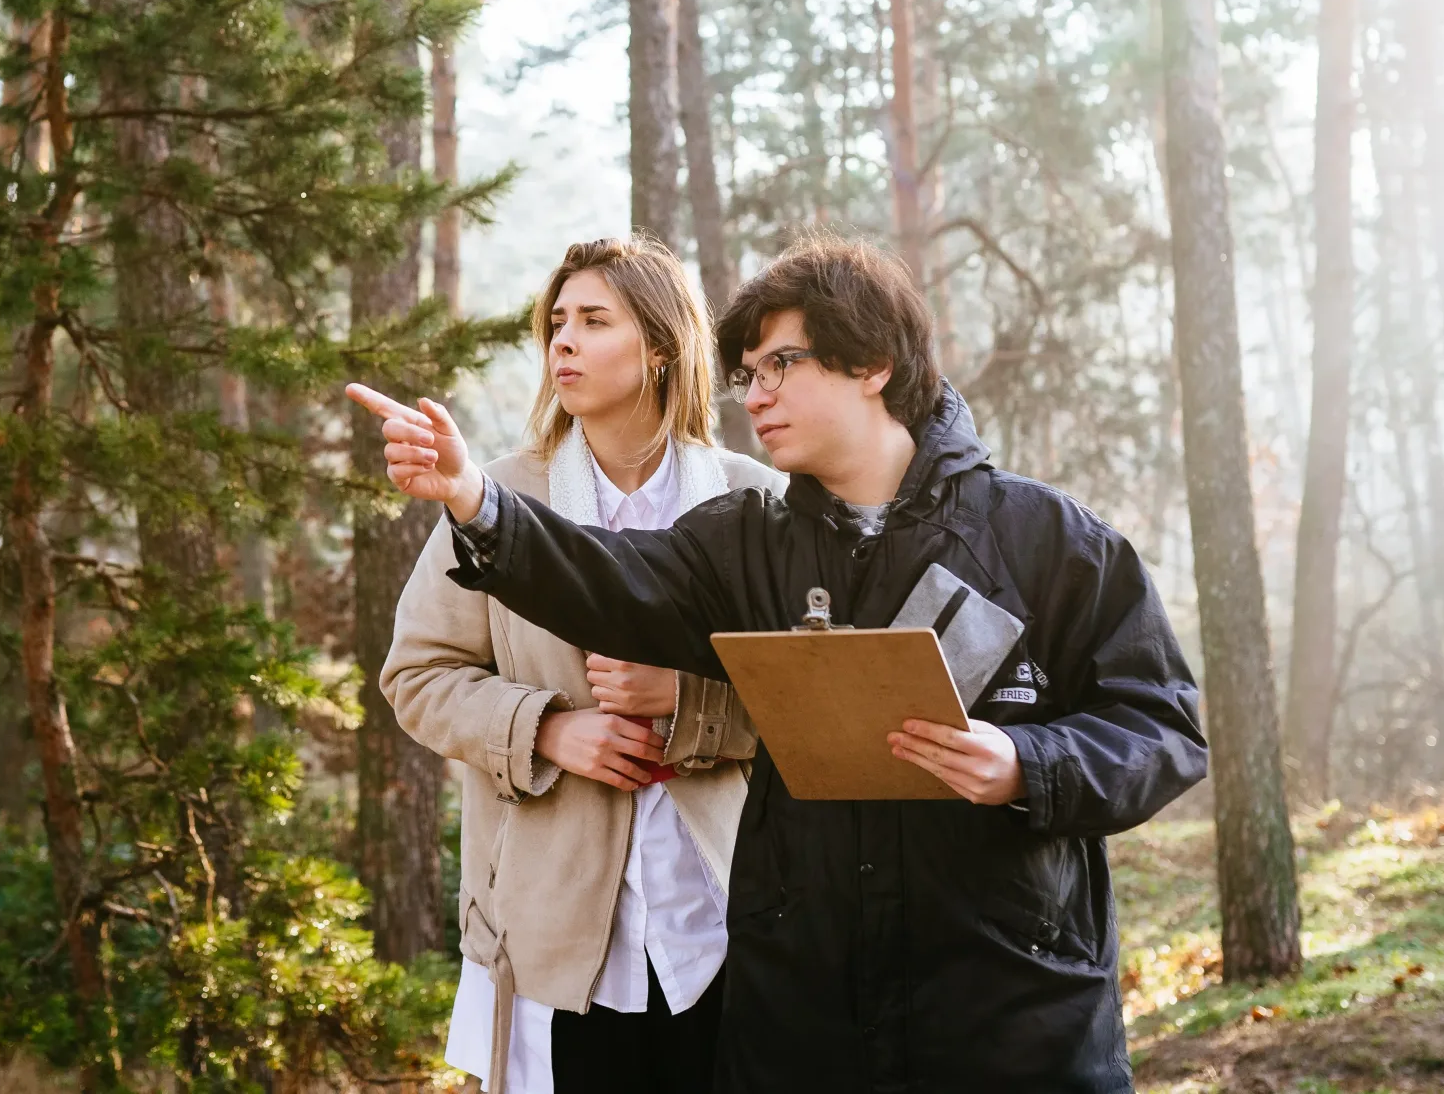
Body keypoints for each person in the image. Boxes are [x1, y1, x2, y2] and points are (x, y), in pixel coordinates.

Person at [348, 234, 1208, 1094]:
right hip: (805, 1023)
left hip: (1012, 1014)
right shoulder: (747, 541)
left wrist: (1029, 764)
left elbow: (1163, 727)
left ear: (871, 363)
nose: (755, 397)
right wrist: (475, 500)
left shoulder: (1052, 542)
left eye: (781, 366)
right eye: (748, 374)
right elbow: (609, 578)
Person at [379, 236, 785, 1094]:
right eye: (556, 322)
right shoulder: (493, 498)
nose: (562, 341)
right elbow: (416, 677)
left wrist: (688, 705)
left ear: (662, 348)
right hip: (553, 939)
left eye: (594, 321)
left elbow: (815, 701)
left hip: (728, 926)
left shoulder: (757, 502)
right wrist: (548, 729)